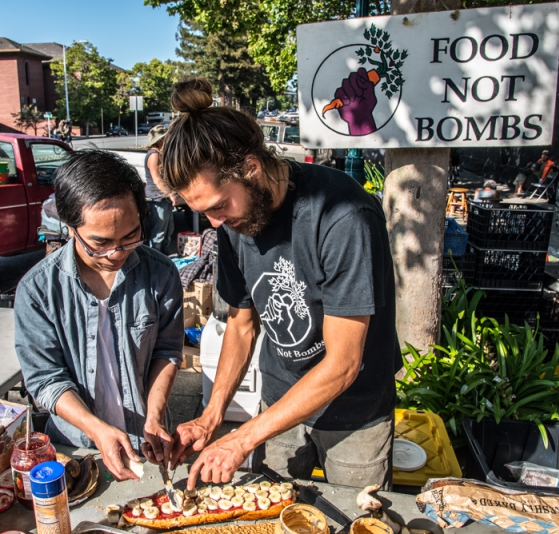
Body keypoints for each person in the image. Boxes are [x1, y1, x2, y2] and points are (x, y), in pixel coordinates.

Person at [161, 78, 401, 490]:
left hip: (355, 412)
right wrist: (212, 415)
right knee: (269, 507)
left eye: (219, 206)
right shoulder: (230, 224)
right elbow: (241, 324)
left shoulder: (342, 216)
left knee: (355, 512)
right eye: (204, 213)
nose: (215, 223)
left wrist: (243, 438)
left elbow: (342, 365)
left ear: (251, 168)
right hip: (279, 397)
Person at [13, 150, 184, 480]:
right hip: (75, 448)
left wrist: (154, 414)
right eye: (100, 243)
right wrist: (95, 429)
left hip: (146, 439)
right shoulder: (37, 290)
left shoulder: (161, 274)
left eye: (130, 237)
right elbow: (45, 379)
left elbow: (167, 351)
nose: (116, 253)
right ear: (69, 227)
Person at [144, 125, 177, 255]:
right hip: (157, 199)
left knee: (168, 231)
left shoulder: (159, 154)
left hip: (163, 198)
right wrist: (171, 194)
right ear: (159, 140)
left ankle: (165, 257)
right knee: (159, 233)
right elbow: (157, 179)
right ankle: (155, 258)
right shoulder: (153, 155)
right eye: (165, 138)